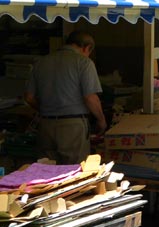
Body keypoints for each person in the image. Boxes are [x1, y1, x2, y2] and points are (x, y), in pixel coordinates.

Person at [24, 31, 107, 165]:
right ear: (87, 48)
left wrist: (45, 109)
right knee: (74, 174)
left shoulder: (41, 62)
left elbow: (28, 97)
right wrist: (101, 120)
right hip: (73, 126)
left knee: (47, 173)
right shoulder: (84, 62)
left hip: (45, 125)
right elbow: (90, 97)